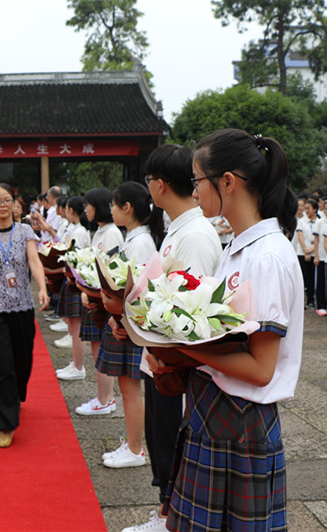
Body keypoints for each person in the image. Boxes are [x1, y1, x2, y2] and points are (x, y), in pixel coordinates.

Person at [146, 129, 303, 531]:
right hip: (216, 416)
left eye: (198, 181)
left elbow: (261, 368)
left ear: (228, 182)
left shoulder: (267, 257)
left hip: (240, 424)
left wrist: (181, 346)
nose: (194, 192)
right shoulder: (239, 247)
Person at [118, 144, 221, 532]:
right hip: (159, 355)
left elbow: (186, 311)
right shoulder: (180, 229)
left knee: (170, 440)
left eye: (148, 181)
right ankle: (166, 510)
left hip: (172, 362)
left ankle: (170, 515)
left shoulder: (193, 234)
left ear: (159, 185)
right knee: (160, 438)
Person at [0, 183, 49, 448]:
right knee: (1, 364)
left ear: (15, 204)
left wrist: (42, 288)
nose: (2, 205)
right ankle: (6, 423)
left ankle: (15, 395)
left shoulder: (25, 230)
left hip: (22, 307)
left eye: (7, 200)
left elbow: (34, 261)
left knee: (21, 360)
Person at [97, 182, 160, 469]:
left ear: (127, 208)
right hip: (126, 322)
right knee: (127, 387)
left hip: (132, 325)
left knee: (130, 388)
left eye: (114, 205)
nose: (111, 210)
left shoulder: (141, 242)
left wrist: (120, 315)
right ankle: (132, 443)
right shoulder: (134, 238)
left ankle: (135, 449)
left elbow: (140, 291)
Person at [74, 187, 123, 416]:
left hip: (103, 300)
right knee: (97, 349)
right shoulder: (101, 231)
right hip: (95, 298)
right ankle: (103, 397)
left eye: (89, 206)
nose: (86, 210)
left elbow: (110, 268)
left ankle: (105, 399)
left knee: (101, 350)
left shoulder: (112, 233)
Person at [54, 196, 92, 380]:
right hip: (73, 279)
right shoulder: (76, 229)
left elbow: (76, 256)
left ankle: (78, 366)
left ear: (72, 211)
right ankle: (75, 363)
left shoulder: (79, 231)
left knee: (76, 327)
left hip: (77, 281)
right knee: (73, 324)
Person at [297, 199, 319, 308]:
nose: (306, 211)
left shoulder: (319, 221)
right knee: (302, 278)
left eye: (308, 208)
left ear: (315, 210)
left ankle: (311, 300)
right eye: (305, 208)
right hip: (302, 252)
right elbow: (300, 236)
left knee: (311, 278)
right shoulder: (301, 221)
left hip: (315, 253)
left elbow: (318, 238)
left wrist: (312, 250)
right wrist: (306, 250)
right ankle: (301, 302)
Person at [315, 199, 327, 316]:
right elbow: (317, 240)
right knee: (321, 281)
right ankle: (321, 305)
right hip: (322, 255)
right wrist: (316, 255)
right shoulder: (320, 222)